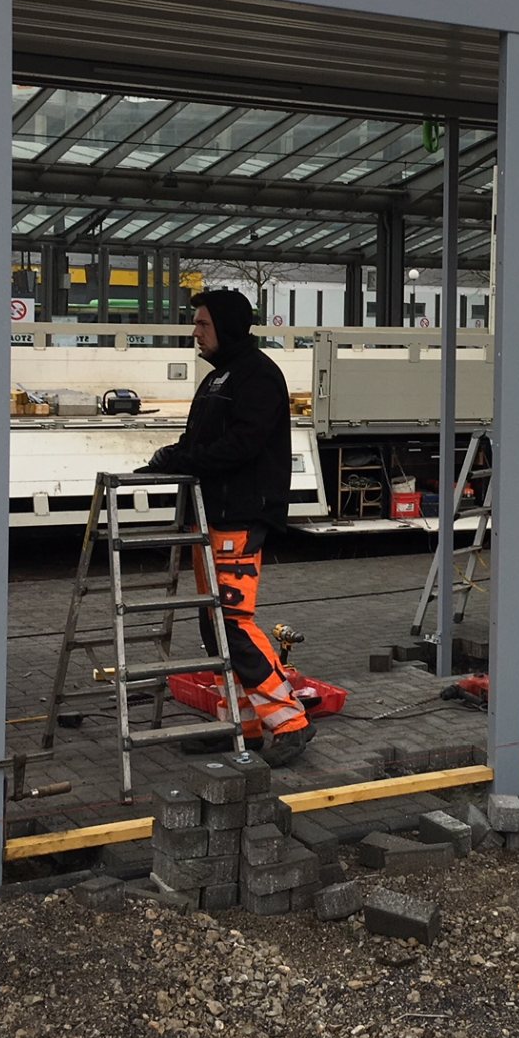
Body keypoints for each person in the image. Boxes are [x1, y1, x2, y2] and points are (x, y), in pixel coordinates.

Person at [144, 288, 315, 767]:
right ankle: (243, 725)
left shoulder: (257, 375)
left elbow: (241, 445)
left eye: (202, 324)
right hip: (213, 514)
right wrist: (172, 458)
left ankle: (289, 722)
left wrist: (184, 459)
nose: (195, 332)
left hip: (239, 515)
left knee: (233, 623)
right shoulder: (220, 377)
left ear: (227, 325)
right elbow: (202, 438)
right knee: (213, 622)